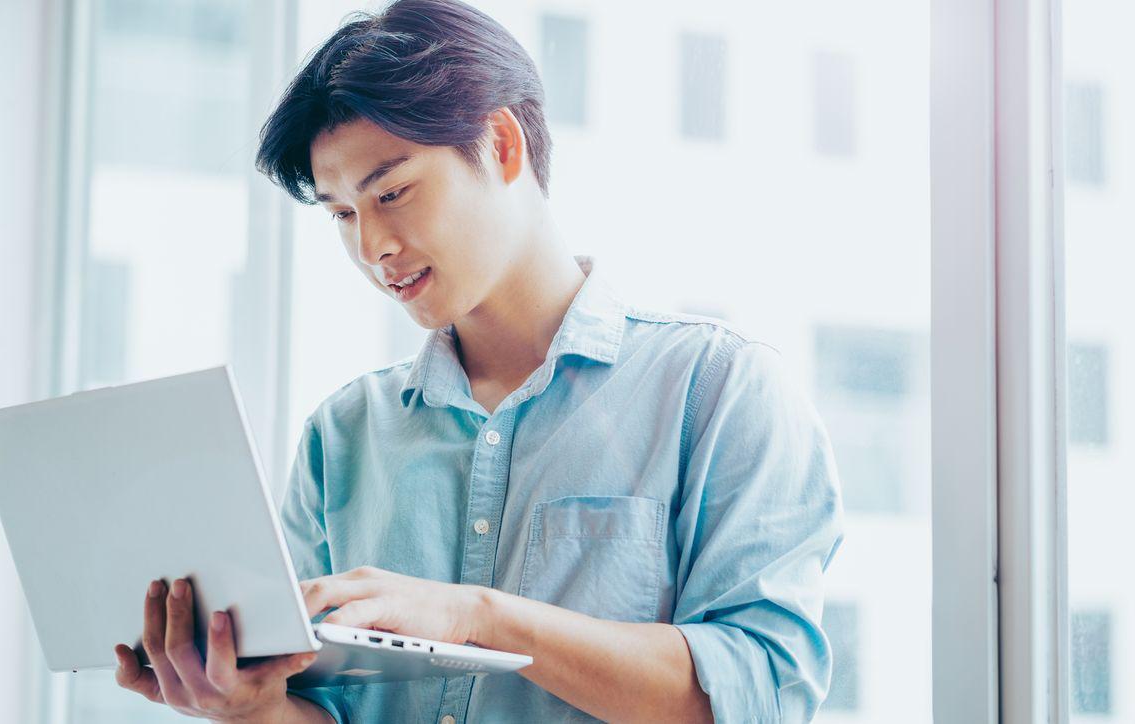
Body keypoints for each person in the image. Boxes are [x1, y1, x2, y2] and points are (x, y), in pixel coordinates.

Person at [113, 0, 844, 721]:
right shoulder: (342, 436)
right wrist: (256, 708)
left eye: (392, 192)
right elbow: (321, 709)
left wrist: (476, 618)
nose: (372, 248)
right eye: (341, 214)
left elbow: (763, 691)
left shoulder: (719, 391)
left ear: (501, 145)